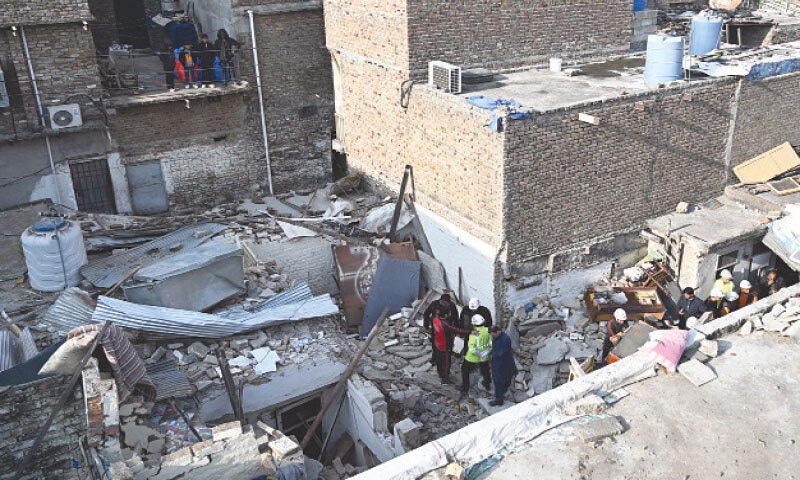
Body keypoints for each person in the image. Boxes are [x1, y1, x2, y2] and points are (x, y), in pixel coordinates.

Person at [429, 313, 472, 384]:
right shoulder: (445, 325)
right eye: (448, 313)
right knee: (446, 363)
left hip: (437, 343)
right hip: (445, 347)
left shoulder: (434, 318)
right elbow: (458, 330)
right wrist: (470, 331)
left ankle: (440, 373)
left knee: (439, 360)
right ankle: (445, 379)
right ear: (445, 314)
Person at [459, 314, 491, 396]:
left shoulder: (474, 334)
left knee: (465, 370)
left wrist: (479, 354)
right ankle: (487, 384)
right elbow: (491, 343)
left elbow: (472, 349)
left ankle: (465, 388)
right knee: (485, 369)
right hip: (485, 356)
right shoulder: (488, 330)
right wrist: (486, 352)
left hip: (472, 357)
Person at [489, 325, 517, 406]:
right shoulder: (496, 338)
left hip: (503, 364)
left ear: (497, 332)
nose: (492, 336)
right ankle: (501, 393)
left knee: (498, 381)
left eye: (493, 334)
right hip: (498, 363)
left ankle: (499, 400)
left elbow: (501, 353)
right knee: (500, 380)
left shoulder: (505, 339)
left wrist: (491, 353)